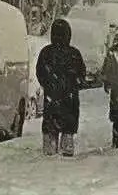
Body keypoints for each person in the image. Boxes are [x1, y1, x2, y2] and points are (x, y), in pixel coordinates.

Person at [35, 19, 87, 156]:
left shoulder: (46, 52)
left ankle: (50, 147)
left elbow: (40, 72)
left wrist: (48, 84)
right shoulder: (74, 54)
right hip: (69, 98)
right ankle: (66, 147)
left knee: (50, 124)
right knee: (68, 126)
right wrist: (74, 85)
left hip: (52, 96)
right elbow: (81, 74)